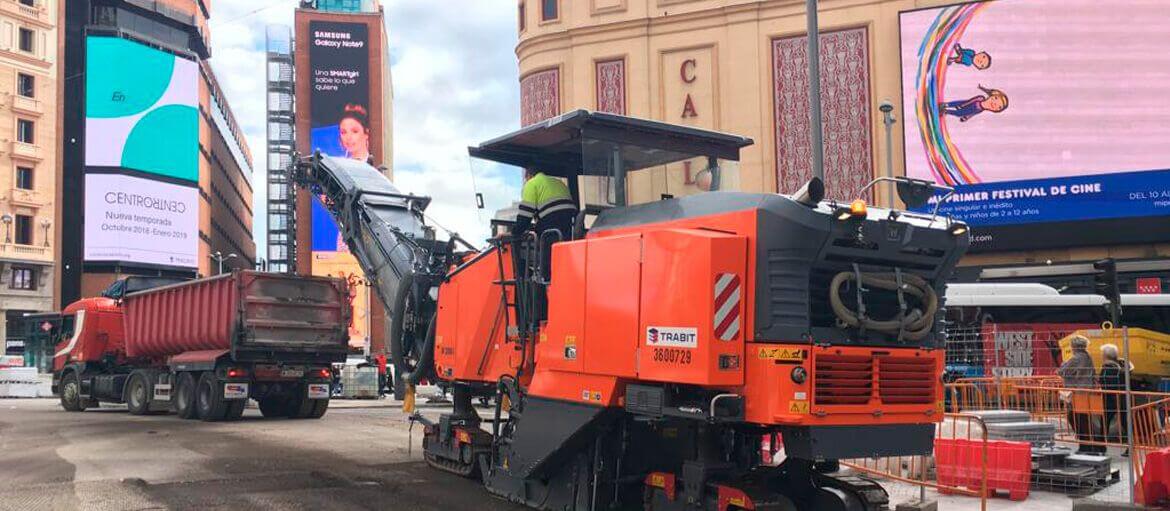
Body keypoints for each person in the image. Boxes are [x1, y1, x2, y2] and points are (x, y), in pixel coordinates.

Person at [1058, 335, 1102, 454]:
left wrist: (1063, 364)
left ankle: (1085, 446)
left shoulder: (1076, 358)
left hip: (1077, 393)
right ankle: (1092, 445)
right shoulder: (1088, 357)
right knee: (1085, 420)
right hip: (1087, 392)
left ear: (1073, 346)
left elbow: (1062, 371)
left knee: (1075, 419)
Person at [513, 169, 577, 242]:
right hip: (571, 229)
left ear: (529, 175)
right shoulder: (559, 182)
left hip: (552, 231)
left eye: (525, 179)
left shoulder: (531, 183)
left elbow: (524, 217)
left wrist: (514, 232)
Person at [1099, 344, 1132, 451]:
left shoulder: (1107, 367)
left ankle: (1101, 447)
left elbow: (1105, 383)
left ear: (1105, 355)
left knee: (1104, 422)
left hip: (1110, 399)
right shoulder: (1122, 365)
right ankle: (1130, 448)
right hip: (1123, 397)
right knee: (1125, 423)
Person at [940, 86, 1009, 122]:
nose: (994, 104)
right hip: (966, 104)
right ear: (991, 96)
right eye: (996, 98)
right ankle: (946, 105)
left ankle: (946, 111)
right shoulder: (980, 98)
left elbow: (973, 113)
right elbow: (970, 101)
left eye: (999, 107)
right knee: (957, 103)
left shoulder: (981, 110)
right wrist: (963, 105)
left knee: (958, 113)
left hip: (965, 112)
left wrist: (966, 117)